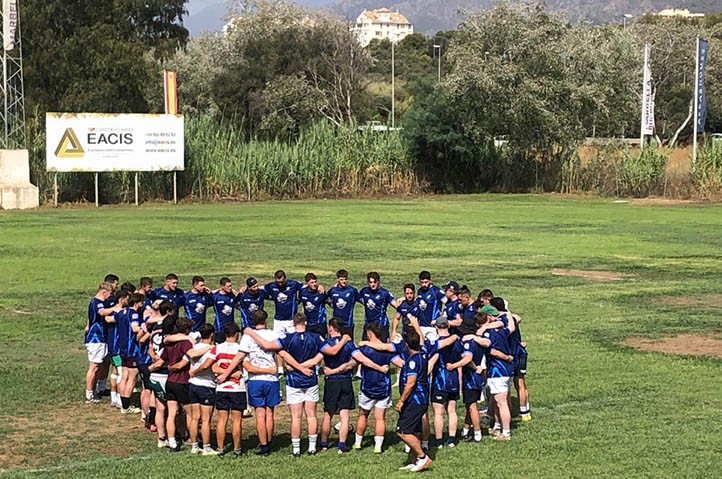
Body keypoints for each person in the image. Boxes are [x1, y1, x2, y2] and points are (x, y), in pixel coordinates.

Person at [244, 312, 325, 457]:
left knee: (296, 417)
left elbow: (267, 345)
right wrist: (308, 365)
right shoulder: (315, 337)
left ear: (293, 324)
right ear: (305, 322)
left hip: (294, 381)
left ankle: (296, 449)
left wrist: (250, 332)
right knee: (311, 415)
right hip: (310, 378)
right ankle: (312, 447)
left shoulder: (288, 338)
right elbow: (323, 354)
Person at [218, 310, 282, 457]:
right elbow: (279, 353)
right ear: (266, 320)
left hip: (255, 379)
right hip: (271, 379)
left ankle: (263, 445)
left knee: (260, 414)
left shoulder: (247, 337)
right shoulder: (273, 334)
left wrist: (225, 374)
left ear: (252, 321)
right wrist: (277, 369)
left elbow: (239, 358)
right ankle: (270, 442)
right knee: (270, 412)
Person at [466, 305, 515, 441]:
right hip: (508, 369)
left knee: (501, 402)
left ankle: (506, 433)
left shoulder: (488, 333)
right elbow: (511, 327)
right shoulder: (501, 329)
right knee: (498, 400)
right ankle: (498, 426)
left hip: (498, 370)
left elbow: (489, 346)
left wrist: (473, 337)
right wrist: (508, 313)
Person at [351, 322, 401, 453]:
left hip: (367, 387)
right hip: (383, 388)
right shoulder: (387, 350)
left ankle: (358, 443)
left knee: (363, 415)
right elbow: (400, 363)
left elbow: (355, 361)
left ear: (369, 333)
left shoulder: (365, 349)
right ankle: (378, 446)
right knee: (380, 418)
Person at [199, 322, 247, 457]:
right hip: (237, 387)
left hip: (221, 387)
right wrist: (233, 374)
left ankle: (220, 448)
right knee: (237, 420)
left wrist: (225, 374)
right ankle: (237, 449)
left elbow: (213, 368)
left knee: (221, 420)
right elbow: (245, 367)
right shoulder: (241, 349)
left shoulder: (217, 348)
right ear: (237, 334)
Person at [395, 330, 432, 473]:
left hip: (415, 400)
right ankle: (415, 460)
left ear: (406, 345)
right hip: (421, 399)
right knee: (414, 431)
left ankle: (422, 457)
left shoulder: (412, 362)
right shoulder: (423, 353)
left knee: (402, 430)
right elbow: (422, 341)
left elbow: (411, 383)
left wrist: (401, 401)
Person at [489, 296, 530, 421]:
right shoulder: (511, 317)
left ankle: (507, 414)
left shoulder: (499, 322)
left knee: (506, 386)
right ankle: (525, 412)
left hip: (510, 356)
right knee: (520, 383)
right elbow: (518, 318)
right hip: (520, 352)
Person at [157, 317, 194, 452]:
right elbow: (186, 361)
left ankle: (172, 441)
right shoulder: (186, 343)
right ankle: (192, 439)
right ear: (187, 330)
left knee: (172, 413)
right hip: (182, 381)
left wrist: (149, 369)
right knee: (191, 413)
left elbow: (161, 361)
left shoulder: (169, 344)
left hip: (170, 381)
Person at [319, 318, 356, 453]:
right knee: (344, 415)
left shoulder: (326, 343)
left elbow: (319, 358)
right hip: (346, 379)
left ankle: (324, 443)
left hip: (331, 381)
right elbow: (355, 361)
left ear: (330, 328)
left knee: (328, 414)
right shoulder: (349, 343)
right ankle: (341, 445)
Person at [428, 317, 464, 448]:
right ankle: (452, 438)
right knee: (452, 410)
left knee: (438, 412)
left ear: (436, 327)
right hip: (453, 378)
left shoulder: (436, 343)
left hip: (440, 380)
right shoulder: (457, 341)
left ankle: (439, 440)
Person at [186, 323, 217, 455]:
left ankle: (194, 445)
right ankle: (206, 447)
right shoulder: (212, 349)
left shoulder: (195, 347)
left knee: (194, 418)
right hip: (206, 385)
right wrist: (196, 372)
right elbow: (206, 366)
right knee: (205, 419)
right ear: (212, 335)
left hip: (193, 385)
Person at [457, 312, 487, 443]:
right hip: (478, 378)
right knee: (470, 405)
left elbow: (468, 359)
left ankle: (477, 433)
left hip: (471, 378)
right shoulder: (479, 341)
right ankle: (465, 430)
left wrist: (455, 365)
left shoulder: (469, 342)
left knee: (472, 406)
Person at [84, 282, 115, 403]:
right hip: (95, 338)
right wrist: (115, 308)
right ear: (104, 291)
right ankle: (89, 394)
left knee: (102, 364)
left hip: (102, 337)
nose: (110, 296)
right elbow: (102, 313)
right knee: (94, 366)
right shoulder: (97, 302)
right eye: (110, 293)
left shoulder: (102, 303)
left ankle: (99, 389)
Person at [114, 293, 144, 414]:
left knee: (124, 375)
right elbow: (135, 328)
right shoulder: (134, 313)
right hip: (132, 349)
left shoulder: (120, 312)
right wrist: (146, 327)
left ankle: (123, 404)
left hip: (122, 348)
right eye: (142, 303)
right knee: (132, 377)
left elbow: (111, 319)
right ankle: (126, 406)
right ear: (137, 303)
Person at [358, 272, 397, 342]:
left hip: (381, 325)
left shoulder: (384, 293)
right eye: (370, 282)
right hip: (368, 324)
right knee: (365, 347)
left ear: (378, 281)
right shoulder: (364, 291)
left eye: (374, 282)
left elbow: (395, 305)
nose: (373, 284)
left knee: (382, 348)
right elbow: (356, 297)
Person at [326, 269, 360, 338]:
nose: (344, 281)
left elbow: (362, 300)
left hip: (348, 324)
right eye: (341, 280)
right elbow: (326, 299)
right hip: (336, 324)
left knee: (348, 345)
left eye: (345, 279)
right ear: (337, 279)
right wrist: (332, 306)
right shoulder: (333, 291)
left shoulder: (352, 290)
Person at [416, 271, 445, 339]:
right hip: (421, 325)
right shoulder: (420, 291)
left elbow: (448, 303)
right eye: (422, 282)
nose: (424, 285)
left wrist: (441, 317)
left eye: (426, 282)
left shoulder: (436, 291)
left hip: (433, 326)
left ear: (430, 281)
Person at [300, 272, 328, 338]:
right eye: (312, 282)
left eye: (315, 282)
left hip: (320, 324)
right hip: (308, 324)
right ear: (307, 283)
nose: (314, 284)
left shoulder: (321, 292)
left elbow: (329, 300)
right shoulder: (303, 292)